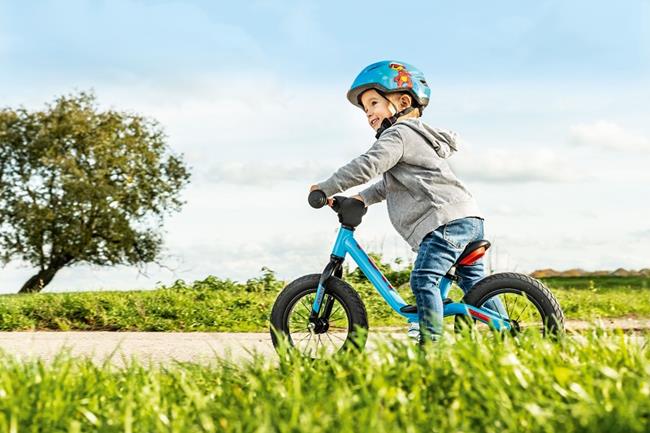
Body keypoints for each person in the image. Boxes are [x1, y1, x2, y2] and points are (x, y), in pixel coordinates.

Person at [310, 60, 507, 344]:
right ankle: (510, 335)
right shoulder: (416, 139)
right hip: (466, 217)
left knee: (423, 280)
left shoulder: (399, 134)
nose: (369, 114)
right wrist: (361, 198)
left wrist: (326, 187)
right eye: (365, 109)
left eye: (374, 103)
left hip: (445, 222)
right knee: (477, 286)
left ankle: (430, 349)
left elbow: (368, 165)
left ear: (403, 101)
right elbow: (391, 184)